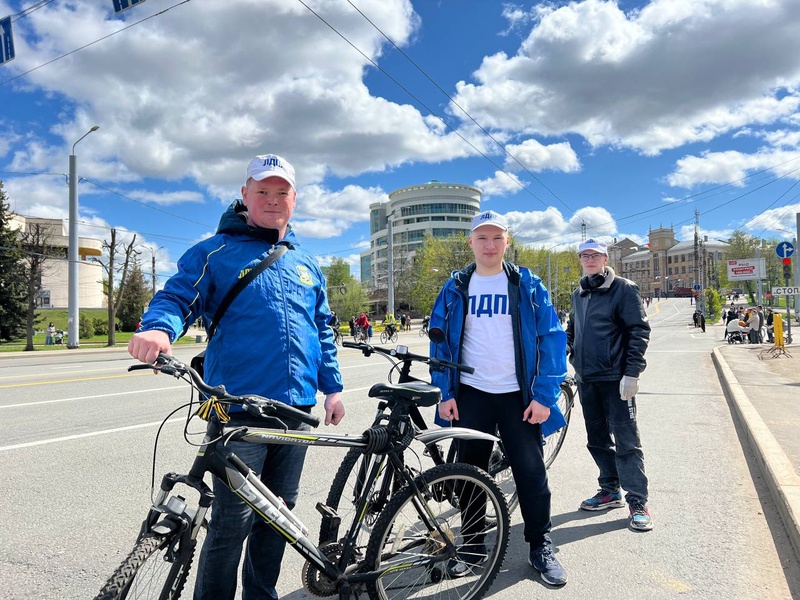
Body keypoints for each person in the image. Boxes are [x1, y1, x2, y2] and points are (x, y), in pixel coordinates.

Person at [127, 154, 345, 600]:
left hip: (298, 411)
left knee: (278, 518)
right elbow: (177, 295)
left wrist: (333, 389)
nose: (271, 199)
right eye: (262, 190)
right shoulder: (215, 252)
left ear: (294, 199)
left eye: (281, 191)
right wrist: (158, 328)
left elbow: (321, 327)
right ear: (244, 195)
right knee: (230, 525)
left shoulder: (306, 263)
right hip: (238, 411)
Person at [430, 210, 569, 587]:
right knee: (470, 474)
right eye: (482, 238)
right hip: (472, 394)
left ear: (507, 242)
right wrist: (445, 392)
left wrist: (543, 396)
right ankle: (472, 547)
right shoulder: (456, 286)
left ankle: (541, 545)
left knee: (530, 471)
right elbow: (439, 341)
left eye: (496, 238)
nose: (489, 245)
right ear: (471, 242)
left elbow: (553, 339)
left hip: (517, 396)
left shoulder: (527, 284)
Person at [566, 238, 653, 532]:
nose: (589, 259)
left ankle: (637, 501)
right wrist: (570, 353)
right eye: (584, 255)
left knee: (627, 442)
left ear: (605, 258)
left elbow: (638, 331)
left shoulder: (624, 289)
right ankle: (609, 489)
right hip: (587, 379)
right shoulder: (579, 292)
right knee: (597, 439)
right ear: (580, 259)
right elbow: (572, 329)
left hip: (616, 380)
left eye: (595, 254)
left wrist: (632, 373)